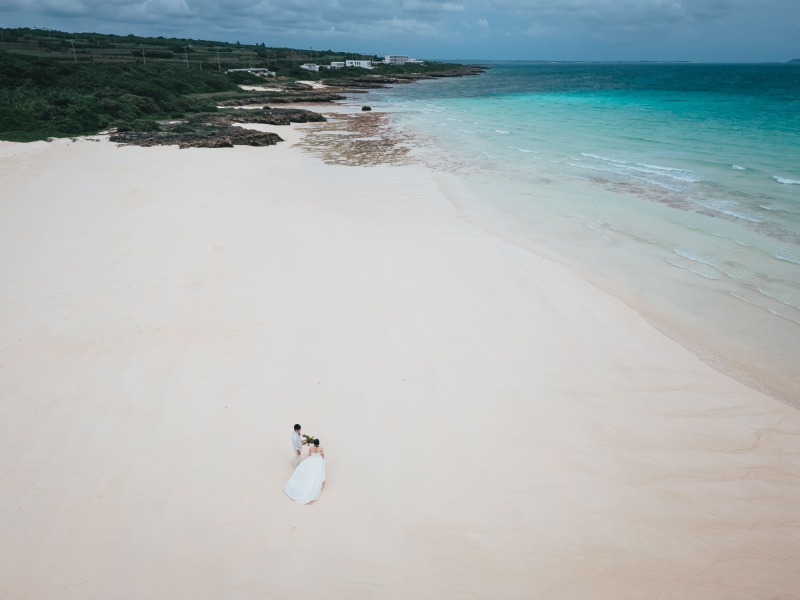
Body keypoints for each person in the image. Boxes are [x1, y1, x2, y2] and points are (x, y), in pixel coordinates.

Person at [283, 439, 326, 504]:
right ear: (318, 443)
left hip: (312, 460)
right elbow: (322, 455)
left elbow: (309, 454)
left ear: (314, 443)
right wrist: (322, 460)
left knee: (308, 471)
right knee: (316, 473)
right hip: (318, 460)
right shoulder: (321, 448)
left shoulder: (311, 448)